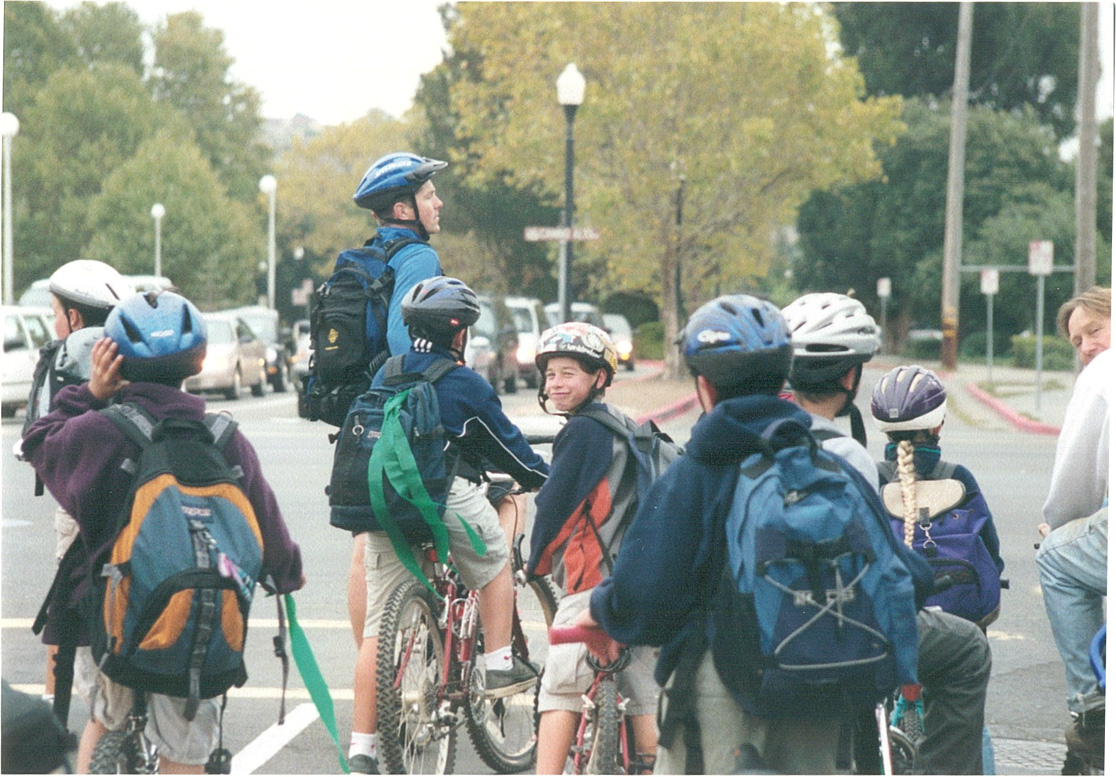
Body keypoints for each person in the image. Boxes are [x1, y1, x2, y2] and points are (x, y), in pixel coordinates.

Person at [570, 294, 927, 773]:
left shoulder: (695, 474)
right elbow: (908, 576)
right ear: (783, 378)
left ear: (704, 388)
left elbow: (645, 599)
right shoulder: (828, 464)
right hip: (824, 694)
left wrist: (602, 610)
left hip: (726, 695)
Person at [21, 290, 305, 774]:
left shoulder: (99, 431)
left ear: (113, 358)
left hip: (112, 622)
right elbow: (270, 537)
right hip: (195, 624)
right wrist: (285, 573)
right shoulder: (226, 439)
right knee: (185, 752)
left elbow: (38, 439)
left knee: (105, 720)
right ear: (196, 361)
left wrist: (90, 392)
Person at [782, 292, 993, 775]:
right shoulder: (844, 453)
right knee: (967, 649)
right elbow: (879, 559)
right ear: (851, 377)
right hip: (838, 626)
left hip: (762, 622)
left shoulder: (756, 438)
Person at [347, 277, 549, 774]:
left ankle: (362, 749)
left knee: (378, 630)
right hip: (444, 498)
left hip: (382, 505)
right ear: (458, 333)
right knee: (495, 560)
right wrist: (546, 475)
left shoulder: (385, 374)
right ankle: (500, 665)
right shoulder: (463, 383)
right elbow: (510, 453)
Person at [342, 152, 449, 752]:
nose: (438, 205)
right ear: (405, 208)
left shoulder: (368, 255)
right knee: (415, 532)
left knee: (365, 541)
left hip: (355, 416)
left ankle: (375, 665)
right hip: (398, 412)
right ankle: (393, 667)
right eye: (430, 196)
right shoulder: (418, 257)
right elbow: (406, 339)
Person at [526, 322, 659, 774]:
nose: (556, 384)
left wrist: (535, 562)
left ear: (598, 378)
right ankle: (649, 765)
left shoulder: (582, 432)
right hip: (640, 580)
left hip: (592, 581)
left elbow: (556, 507)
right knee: (644, 691)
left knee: (561, 687)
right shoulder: (625, 425)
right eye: (550, 375)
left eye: (568, 373)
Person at [16, 260, 134, 703]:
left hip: (78, 505)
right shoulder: (131, 351)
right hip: (140, 498)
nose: (54, 321)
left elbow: (39, 436)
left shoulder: (65, 359)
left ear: (75, 318)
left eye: (54, 312)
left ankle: (55, 710)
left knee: (65, 613)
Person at [870, 364, 1006, 627]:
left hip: (893, 619)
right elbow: (991, 551)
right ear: (937, 425)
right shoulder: (959, 477)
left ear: (884, 429)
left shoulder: (872, 478)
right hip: (959, 622)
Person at [1037, 286, 1110, 771]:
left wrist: (1057, 527)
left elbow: (1076, 479)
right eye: (1077, 341)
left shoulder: (1103, 373)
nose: (1085, 347)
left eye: (1094, 330)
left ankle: (1092, 708)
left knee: (1056, 558)